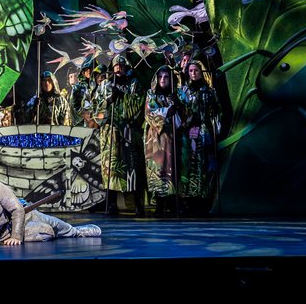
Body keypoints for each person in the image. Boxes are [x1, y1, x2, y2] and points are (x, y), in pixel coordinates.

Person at [0, 172, 101, 245]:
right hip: (2, 236)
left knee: (55, 223)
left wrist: (16, 236)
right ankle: (52, 232)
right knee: (47, 231)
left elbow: (16, 209)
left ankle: (77, 232)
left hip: (23, 216)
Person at [95, 55, 146, 216]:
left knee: (133, 168)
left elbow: (139, 105)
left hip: (129, 133)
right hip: (110, 134)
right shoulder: (105, 85)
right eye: (116, 66)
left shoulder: (134, 84)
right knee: (111, 168)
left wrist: (123, 97)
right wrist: (108, 101)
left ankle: (138, 204)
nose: (118, 68)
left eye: (122, 66)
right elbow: (96, 109)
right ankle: (111, 204)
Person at [177, 59, 222, 216]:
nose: (193, 73)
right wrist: (184, 122)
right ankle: (187, 200)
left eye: (196, 70)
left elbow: (218, 111)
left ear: (201, 72)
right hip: (188, 132)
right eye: (190, 70)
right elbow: (179, 112)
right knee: (188, 165)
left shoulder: (209, 91)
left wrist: (215, 125)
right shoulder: (183, 91)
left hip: (204, 132)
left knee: (204, 165)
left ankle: (203, 200)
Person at [143, 65, 181, 216]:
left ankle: (172, 202)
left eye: (166, 77)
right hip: (156, 139)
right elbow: (149, 113)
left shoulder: (174, 94)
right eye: (160, 77)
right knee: (158, 168)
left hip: (172, 137)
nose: (163, 80)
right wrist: (166, 112)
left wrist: (177, 105)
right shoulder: (151, 94)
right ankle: (159, 203)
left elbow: (184, 117)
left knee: (172, 168)